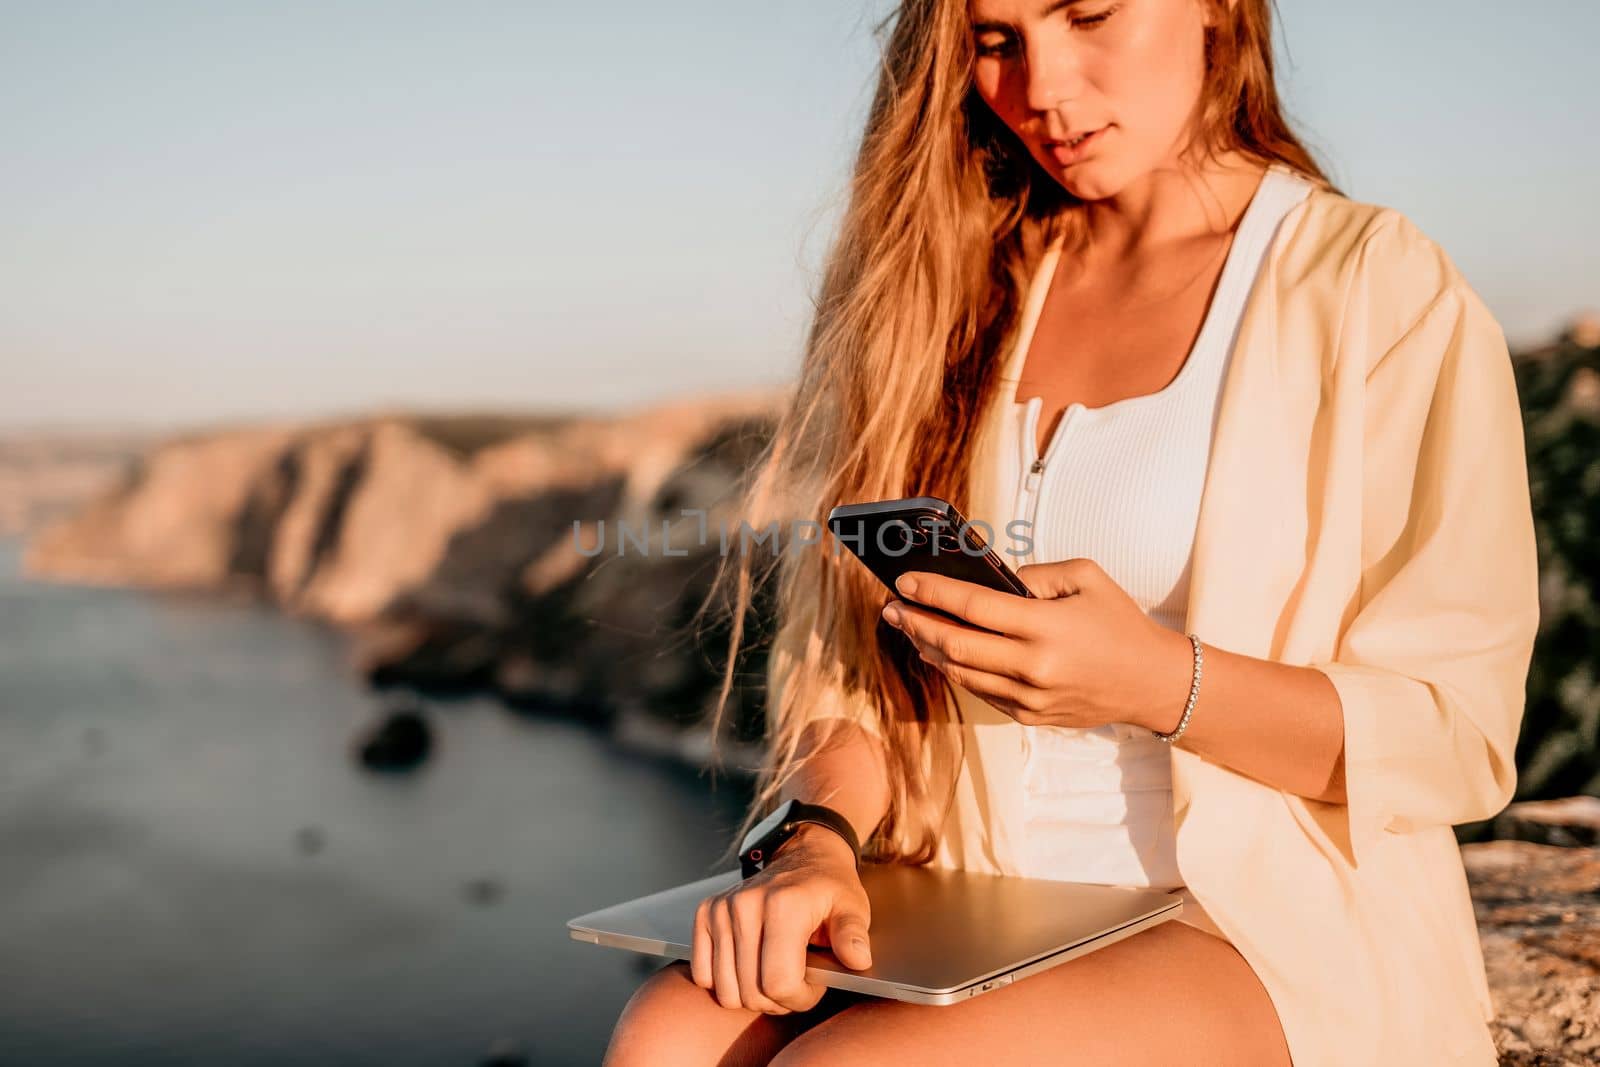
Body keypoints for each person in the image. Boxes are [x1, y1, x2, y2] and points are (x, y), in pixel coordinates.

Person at [603, 1, 1539, 1064]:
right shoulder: (948, 284)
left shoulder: (1376, 288)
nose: (1040, 88)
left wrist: (1159, 681)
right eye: (994, 40)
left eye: (1087, 13)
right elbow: (853, 680)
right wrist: (814, 841)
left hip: (1254, 918)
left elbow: (1453, 734)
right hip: (970, 895)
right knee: (667, 1034)